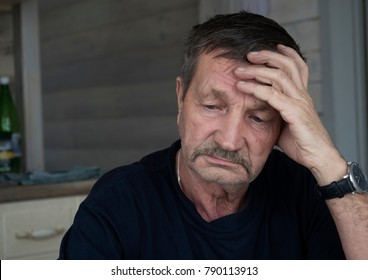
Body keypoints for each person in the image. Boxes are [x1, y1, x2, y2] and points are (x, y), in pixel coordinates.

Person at [58, 11, 368, 260]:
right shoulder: (119, 202)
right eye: (212, 106)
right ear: (181, 98)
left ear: (282, 125)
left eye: (259, 118)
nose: (229, 141)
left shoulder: (307, 193)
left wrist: (328, 162)